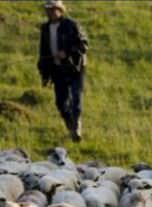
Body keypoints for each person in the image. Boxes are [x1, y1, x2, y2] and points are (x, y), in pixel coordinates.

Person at [37, 0, 89, 142]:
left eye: (54, 9)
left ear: (61, 10)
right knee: (60, 102)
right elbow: (43, 51)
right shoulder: (45, 28)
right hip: (57, 69)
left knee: (76, 100)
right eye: (48, 10)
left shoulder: (71, 25)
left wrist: (66, 53)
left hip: (75, 68)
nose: (51, 12)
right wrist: (44, 73)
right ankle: (70, 125)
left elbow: (83, 45)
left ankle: (77, 126)